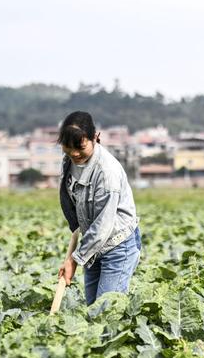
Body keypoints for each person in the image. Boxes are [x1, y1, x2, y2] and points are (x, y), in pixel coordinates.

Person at [56, 111, 141, 305]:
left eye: (80, 147)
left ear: (95, 138)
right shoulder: (68, 162)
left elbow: (103, 224)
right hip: (93, 245)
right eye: (68, 148)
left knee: (107, 312)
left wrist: (74, 260)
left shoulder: (106, 172)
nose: (75, 153)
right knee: (93, 309)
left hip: (117, 245)